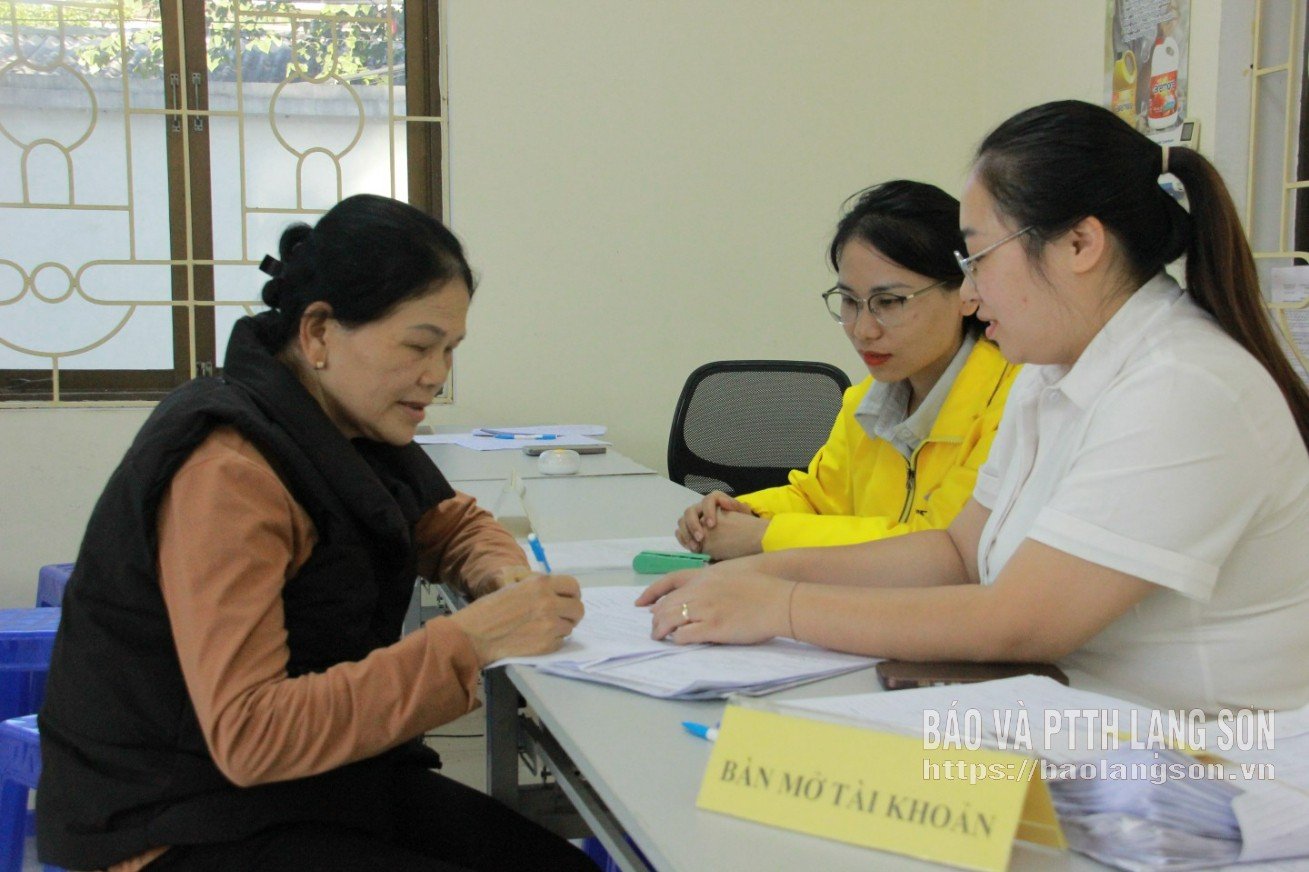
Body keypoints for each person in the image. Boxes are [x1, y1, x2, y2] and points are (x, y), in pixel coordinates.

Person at [640, 100, 1309, 714]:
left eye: (978, 256)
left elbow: (1018, 622)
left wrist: (780, 605)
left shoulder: (1183, 388)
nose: (969, 289)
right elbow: (957, 553)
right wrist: (763, 570)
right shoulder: (1049, 373)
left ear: (1079, 244)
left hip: (1205, 768)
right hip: (1073, 720)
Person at [37, 195, 595, 871]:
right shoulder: (230, 470)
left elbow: (449, 523)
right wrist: (468, 643)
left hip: (311, 788)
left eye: (449, 350)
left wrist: (498, 574)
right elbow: (251, 736)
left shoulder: (340, 418)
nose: (437, 376)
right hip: (179, 822)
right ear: (319, 333)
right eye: (419, 345)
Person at [676, 181, 1018, 560]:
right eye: (850, 302)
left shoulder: (1012, 406)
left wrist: (765, 536)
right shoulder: (868, 402)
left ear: (967, 293)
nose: (862, 329)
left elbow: (939, 548)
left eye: (888, 302)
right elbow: (818, 499)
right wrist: (742, 513)